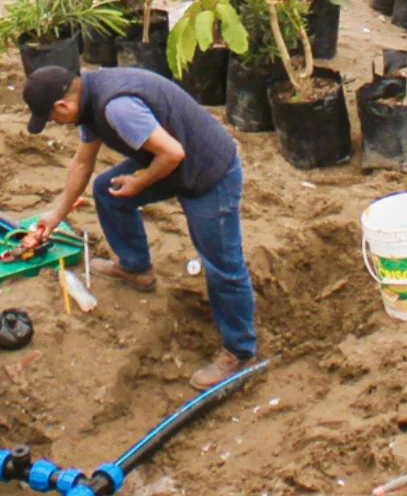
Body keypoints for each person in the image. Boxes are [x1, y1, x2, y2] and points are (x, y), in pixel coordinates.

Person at [21, 64, 257, 389]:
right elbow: (83, 161)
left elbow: (174, 153)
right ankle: (136, 269)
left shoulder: (117, 107)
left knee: (222, 266)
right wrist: (57, 213)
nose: (55, 124)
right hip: (171, 162)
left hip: (208, 173)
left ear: (62, 106)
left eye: (51, 119)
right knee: (108, 192)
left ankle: (239, 351)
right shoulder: (89, 99)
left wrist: (141, 181)